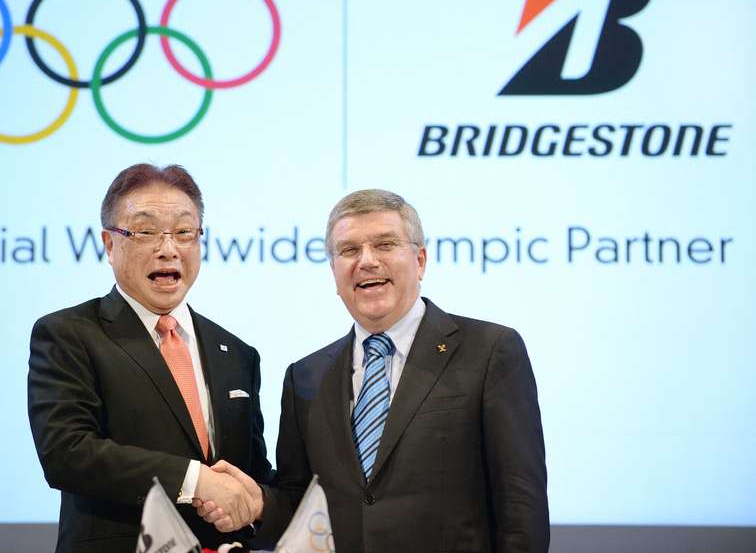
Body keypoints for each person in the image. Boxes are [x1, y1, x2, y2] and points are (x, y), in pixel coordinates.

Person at [200, 188, 549, 552]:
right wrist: (260, 505)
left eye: (384, 244)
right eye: (349, 250)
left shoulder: (490, 351)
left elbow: (521, 508)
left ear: (420, 261)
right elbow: (301, 509)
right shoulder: (305, 377)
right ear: (333, 271)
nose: (366, 261)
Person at [28, 163, 272, 553]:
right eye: (145, 232)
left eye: (183, 232)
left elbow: (251, 472)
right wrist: (194, 481)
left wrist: (254, 505)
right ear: (110, 244)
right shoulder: (69, 333)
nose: (168, 249)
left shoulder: (237, 352)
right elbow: (67, 453)